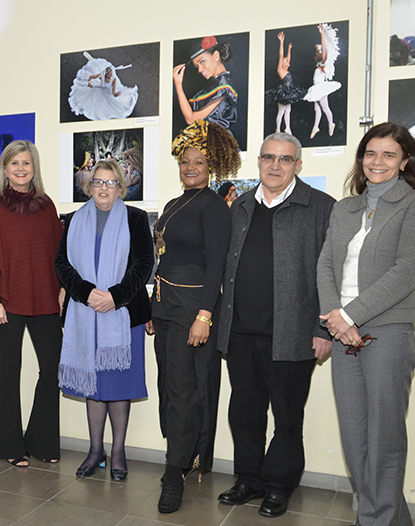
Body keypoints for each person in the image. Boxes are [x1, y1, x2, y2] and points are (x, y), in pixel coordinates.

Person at [216, 132, 335, 518]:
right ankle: (248, 480)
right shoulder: (241, 206)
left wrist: (323, 329)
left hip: (293, 335)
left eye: (285, 159)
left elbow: (329, 274)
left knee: (287, 417)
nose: (275, 165)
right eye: (269, 157)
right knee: (244, 413)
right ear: (259, 162)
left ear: (298, 165)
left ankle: (279, 486)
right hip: (240, 333)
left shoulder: (320, 207)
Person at [317, 122, 415, 526]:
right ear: (361, 159)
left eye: (389, 154)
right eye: (371, 153)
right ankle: (385, 517)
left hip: (389, 330)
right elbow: (325, 264)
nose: (378, 162)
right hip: (343, 332)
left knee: (384, 436)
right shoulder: (344, 208)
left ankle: (377, 519)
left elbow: (407, 270)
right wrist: (336, 319)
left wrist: (350, 315)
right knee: (355, 435)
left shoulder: (411, 204)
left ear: (404, 161)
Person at [150, 120, 240, 513]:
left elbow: (217, 266)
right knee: (170, 390)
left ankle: (174, 475)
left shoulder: (214, 207)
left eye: (199, 162)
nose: (190, 167)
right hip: (165, 308)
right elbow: (164, 259)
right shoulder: (173, 204)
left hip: (192, 311)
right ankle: (179, 459)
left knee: (185, 394)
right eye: (185, 161)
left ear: (212, 166)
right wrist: (153, 308)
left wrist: (205, 315)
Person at [0, 140, 64, 467]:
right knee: (10, 370)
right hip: (6, 301)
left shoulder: (47, 205)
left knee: (51, 370)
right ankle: (9, 445)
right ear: (4, 169)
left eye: (27, 163)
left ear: (34, 168)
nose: (21, 169)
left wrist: (62, 289)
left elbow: (59, 254)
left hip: (47, 299)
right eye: (14, 164)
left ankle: (42, 441)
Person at [56, 160, 153, 482]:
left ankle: (119, 452)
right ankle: (95, 450)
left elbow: (143, 263)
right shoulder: (72, 220)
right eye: (98, 182)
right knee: (94, 387)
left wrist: (115, 296)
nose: (103, 188)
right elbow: (61, 263)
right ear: (88, 184)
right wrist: (86, 293)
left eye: (111, 183)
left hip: (124, 317)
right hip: (85, 315)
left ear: (121, 188)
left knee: (118, 385)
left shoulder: (136, 218)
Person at [173, 36, 238, 132]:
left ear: (216, 55)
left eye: (202, 62)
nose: (199, 69)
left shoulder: (223, 87)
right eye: (197, 66)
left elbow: (191, 119)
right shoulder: (216, 84)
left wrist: (178, 86)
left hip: (217, 143)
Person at [69, 52, 139, 121]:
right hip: (98, 87)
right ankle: (92, 61)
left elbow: (114, 88)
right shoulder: (101, 76)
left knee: (110, 101)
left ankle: (93, 62)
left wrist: (114, 93)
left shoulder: (113, 79)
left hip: (104, 91)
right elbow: (94, 77)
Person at [304, 23, 342, 139]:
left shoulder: (324, 63)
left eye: (318, 53)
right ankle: (316, 126)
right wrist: (317, 47)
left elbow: (324, 49)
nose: (316, 55)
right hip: (316, 87)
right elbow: (320, 50)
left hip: (321, 87)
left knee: (325, 108)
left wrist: (322, 33)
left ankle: (331, 123)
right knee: (317, 109)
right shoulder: (319, 63)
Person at [266, 31, 306, 135]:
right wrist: (281, 42)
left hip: (289, 91)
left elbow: (288, 58)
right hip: (283, 92)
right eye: (285, 60)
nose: (287, 61)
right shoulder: (280, 70)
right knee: (281, 112)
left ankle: (287, 128)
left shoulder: (286, 69)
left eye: (287, 61)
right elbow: (281, 55)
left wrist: (289, 49)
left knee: (288, 111)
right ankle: (278, 129)